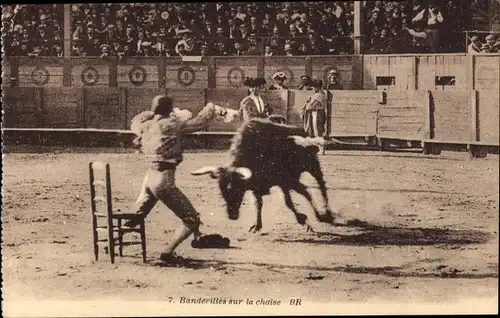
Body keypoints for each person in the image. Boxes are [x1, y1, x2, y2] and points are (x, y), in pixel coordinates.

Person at [125, 95, 238, 264]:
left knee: (138, 214)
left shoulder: (144, 125)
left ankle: (114, 240)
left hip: (149, 178)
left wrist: (155, 112)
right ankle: (167, 252)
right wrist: (212, 107)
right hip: (164, 181)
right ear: (170, 110)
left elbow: (136, 120)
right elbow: (200, 122)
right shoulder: (173, 124)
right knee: (191, 219)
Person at [301, 77, 327, 154]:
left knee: (318, 132)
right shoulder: (321, 94)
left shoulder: (318, 95)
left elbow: (311, 107)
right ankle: (321, 149)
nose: (313, 89)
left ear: (318, 87)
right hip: (319, 113)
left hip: (317, 113)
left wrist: (308, 103)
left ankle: (321, 150)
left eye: (315, 87)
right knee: (318, 131)